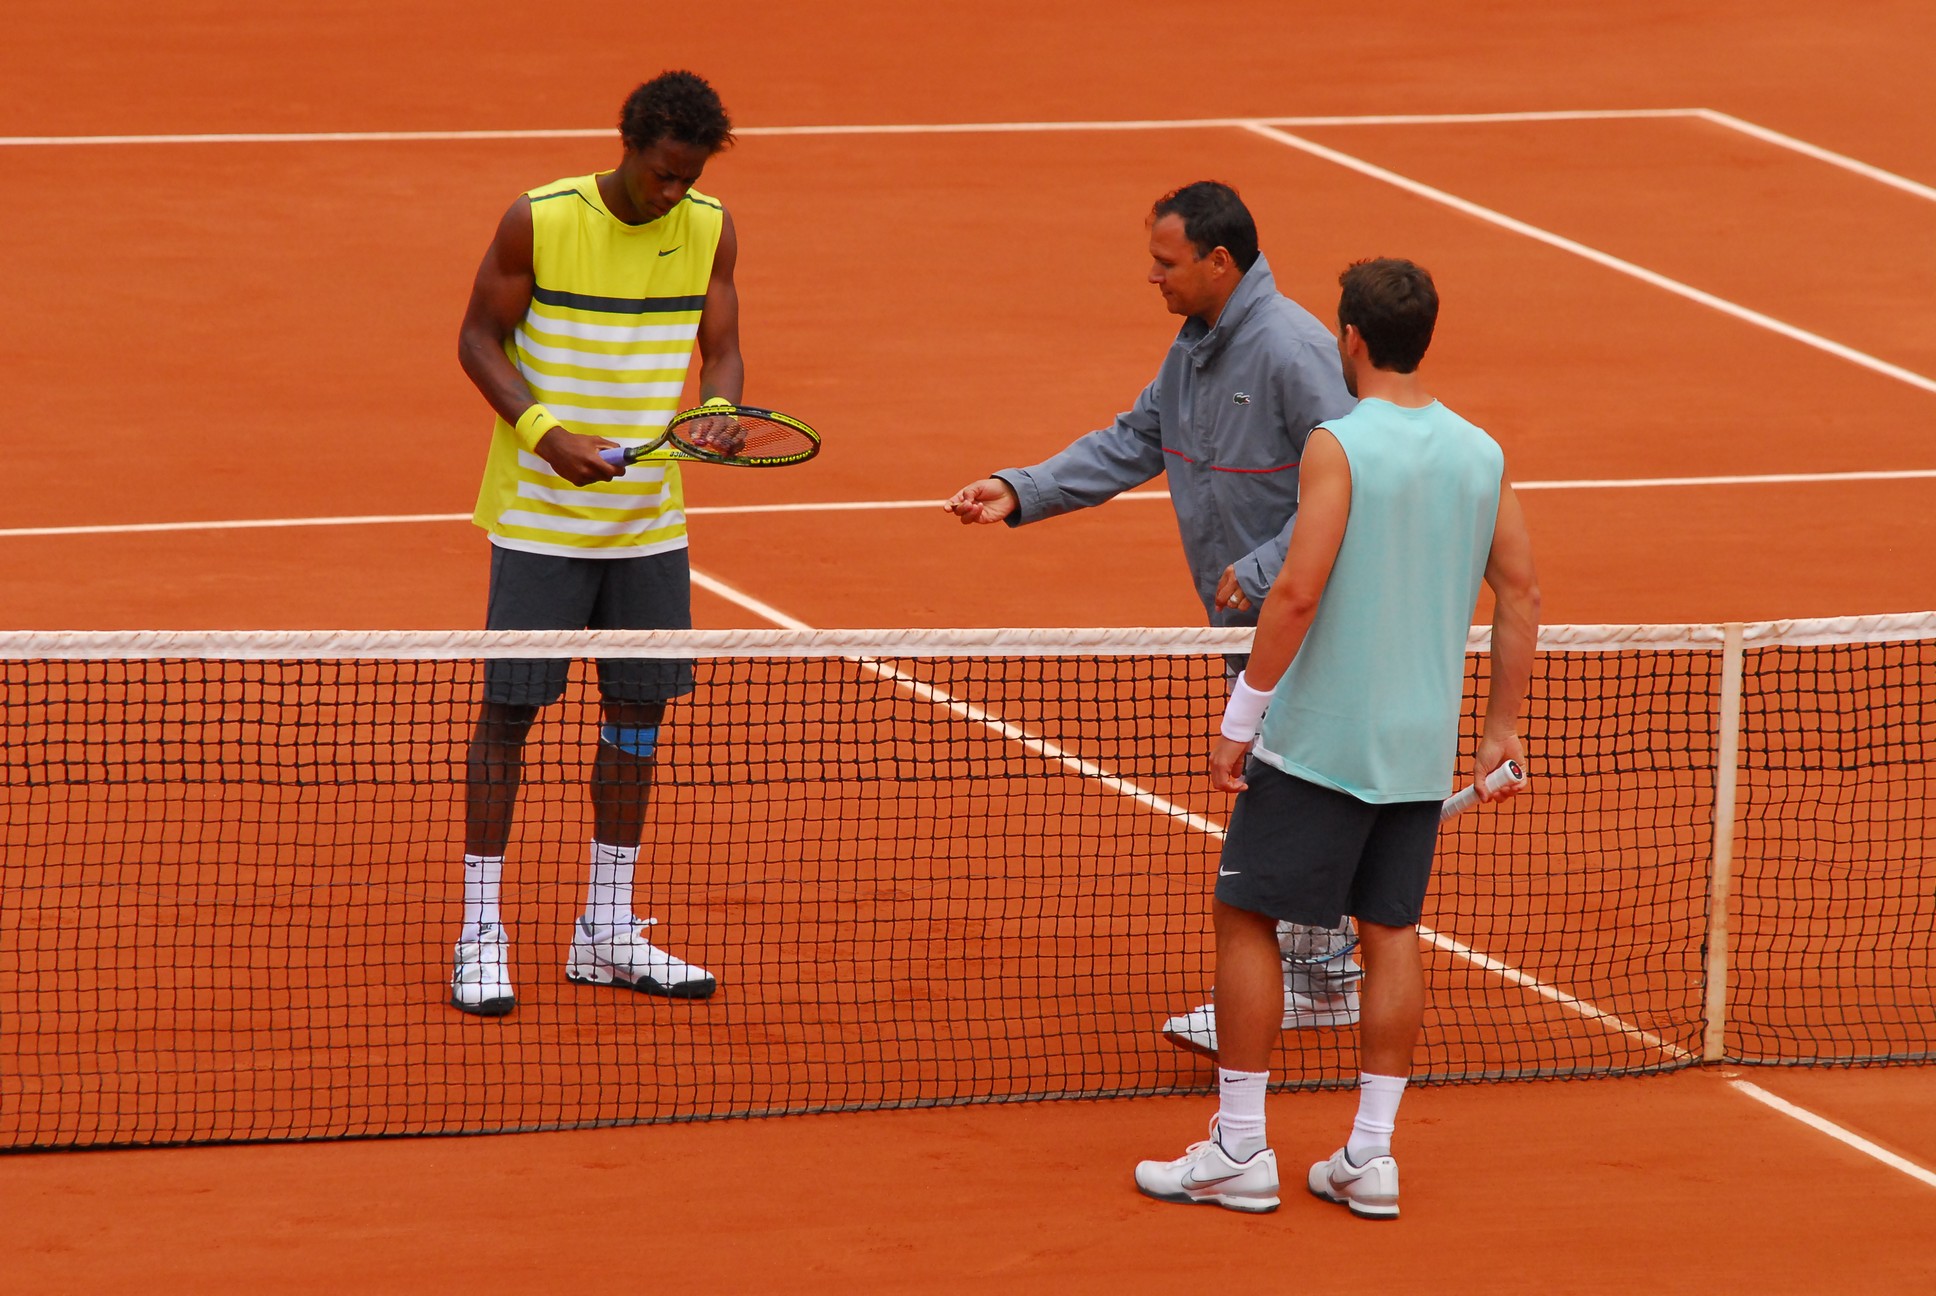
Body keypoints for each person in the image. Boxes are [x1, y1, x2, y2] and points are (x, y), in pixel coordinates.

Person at [1133, 258, 1540, 1217]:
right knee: (1390, 931)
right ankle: (1369, 1157)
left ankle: (1239, 1147)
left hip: (1318, 741)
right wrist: (1501, 728)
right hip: (1415, 743)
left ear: (1349, 339)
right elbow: (1520, 593)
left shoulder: (1339, 445)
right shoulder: (1481, 452)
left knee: (1246, 919)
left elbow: (1298, 590)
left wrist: (1241, 719)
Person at [944, 181, 1364, 1049]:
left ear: (1220, 262)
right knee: (1289, 783)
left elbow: (1357, 477)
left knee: (1285, 792)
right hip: (1244, 621)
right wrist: (1021, 490)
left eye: (1165, 263)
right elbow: (1135, 439)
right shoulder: (1195, 350)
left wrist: (1259, 567)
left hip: (1302, 613)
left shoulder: (1291, 349)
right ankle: (1323, 970)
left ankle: (1313, 977)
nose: (1152, 278)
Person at [447, 71, 741, 1017]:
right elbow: (477, 339)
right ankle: (480, 930)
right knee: (511, 718)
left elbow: (721, 345)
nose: (674, 195)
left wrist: (721, 410)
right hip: (540, 517)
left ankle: (605, 929)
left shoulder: (710, 225)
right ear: (630, 147)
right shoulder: (539, 219)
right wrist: (546, 435)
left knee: (637, 724)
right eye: (663, 175)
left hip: (649, 522)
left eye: (688, 179)